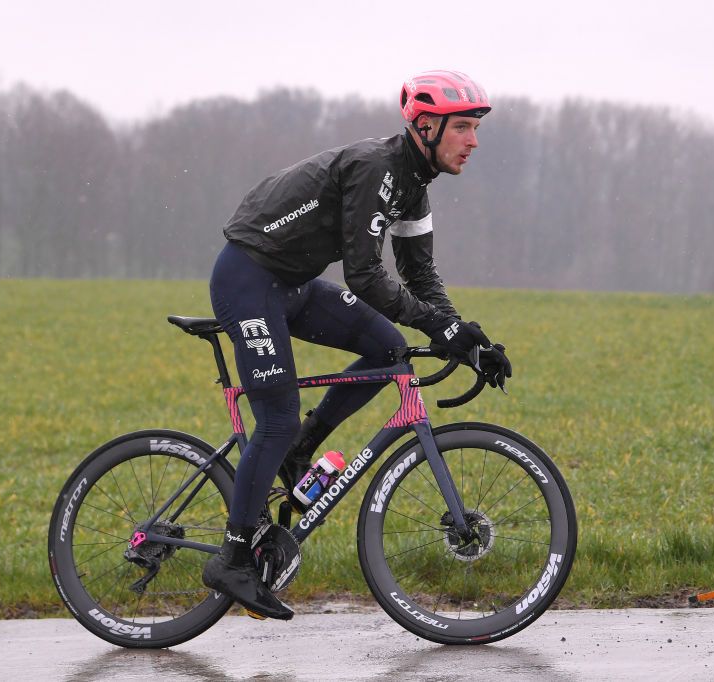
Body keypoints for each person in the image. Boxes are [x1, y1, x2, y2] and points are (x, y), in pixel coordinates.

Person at [202, 70, 513, 620]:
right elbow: (366, 276)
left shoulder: (414, 187)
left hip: (291, 285)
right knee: (274, 418)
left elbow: (420, 276)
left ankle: (303, 449)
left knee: (389, 349)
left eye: (475, 128)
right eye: (462, 127)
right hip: (248, 279)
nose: (474, 141)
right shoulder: (377, 168)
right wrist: (439, 329)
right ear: (424, 127)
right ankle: (232, 558)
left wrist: (465, 337)